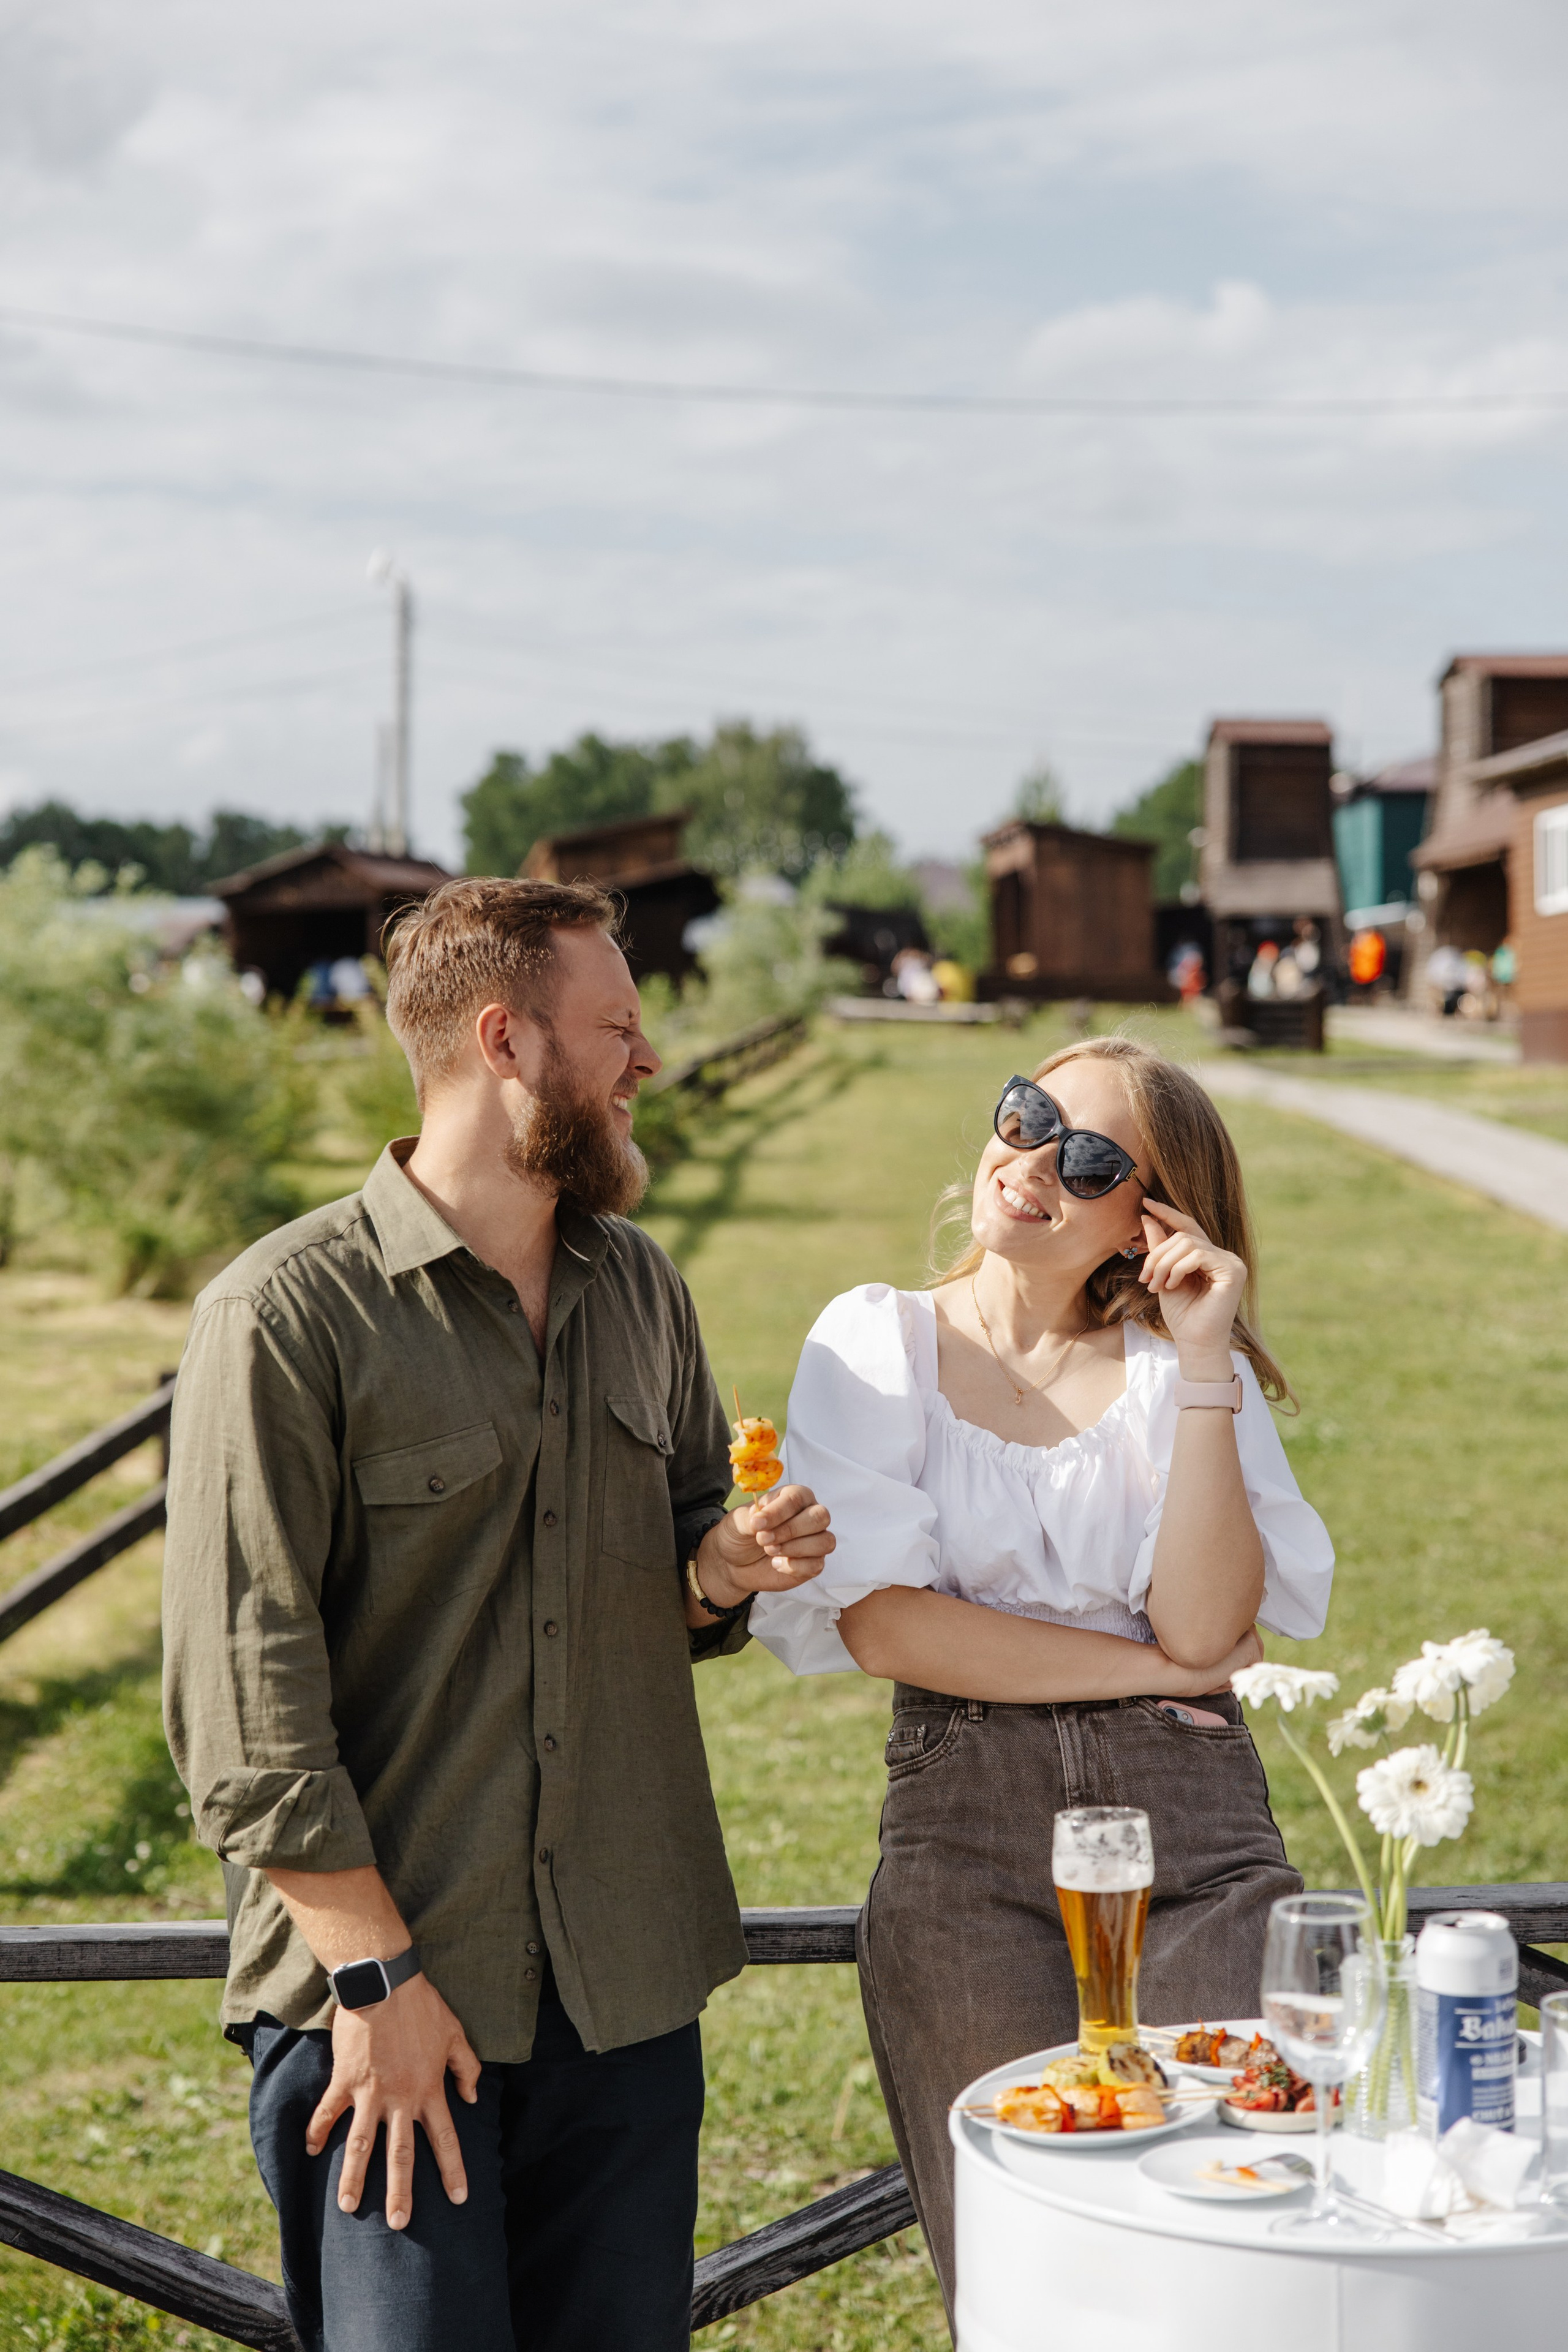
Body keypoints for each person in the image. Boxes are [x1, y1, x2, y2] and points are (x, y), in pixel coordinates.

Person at [162, 876, 833, 2352]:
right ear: (503, 1043)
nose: (644, 1063)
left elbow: (657, 1569)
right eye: (615, 1030)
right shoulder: (280, 1318)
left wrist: (719, 1568)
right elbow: (242, 1708)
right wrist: (375, 1977)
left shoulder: (643, 1289)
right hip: (394, 2008)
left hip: (628, 1990)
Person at [749, 1036, 1332, 2323]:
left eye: (1086, 1159)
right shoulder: (875, 1343)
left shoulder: (1186, 1378)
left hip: (1193, 1833)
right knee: (1015, 2273)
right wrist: (1150, 1668)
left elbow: (1208, 1612)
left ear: (1149, 1217)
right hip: (966, 1843)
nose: (1029, 1165)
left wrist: (1197, 1364)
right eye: (1024, 1119)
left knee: (1236, 2248)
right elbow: (890, 1629)